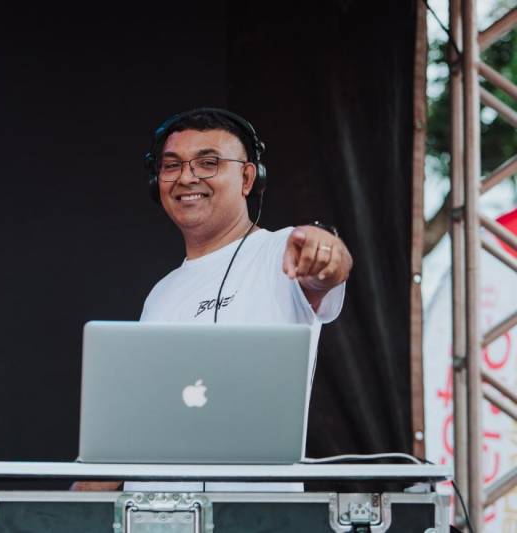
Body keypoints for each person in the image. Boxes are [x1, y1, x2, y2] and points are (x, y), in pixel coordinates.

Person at [72, 108, 353, 491]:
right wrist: (59, 509)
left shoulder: (281, 251)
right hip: (150, 515)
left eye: (208, 163)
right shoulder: (160, 294)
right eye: (172, 165)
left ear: (248, 178)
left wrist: (326, 252)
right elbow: (134, 433)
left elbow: (330, 267)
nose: (187, 177)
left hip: (255, 516)